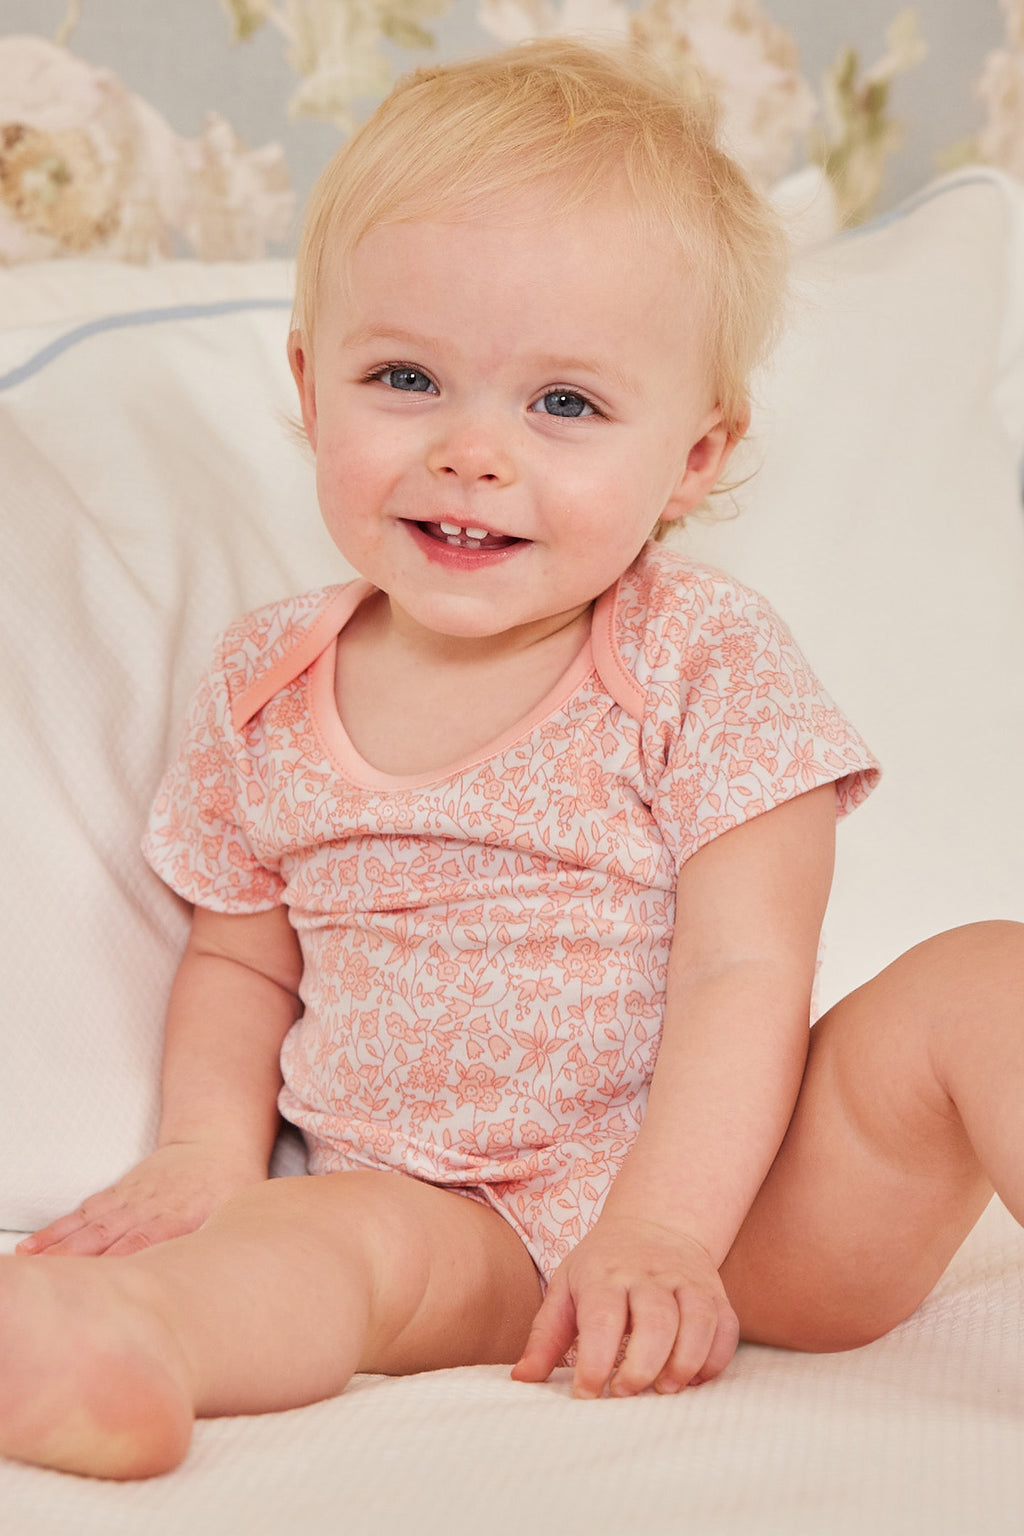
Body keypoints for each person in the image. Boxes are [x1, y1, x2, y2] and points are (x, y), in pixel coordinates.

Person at [1, 37, 1021, 1482]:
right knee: (307, 1245)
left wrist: (662, 1231)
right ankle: (123, 1343)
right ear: (309, 381)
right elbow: (239, 963)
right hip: (451, 1221)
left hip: (755, 1206)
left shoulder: (698, 658)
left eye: (564, 406)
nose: (475, 453)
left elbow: (748, 970)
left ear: (692, 456)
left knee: (992, 976)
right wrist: (203, 1157)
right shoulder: (266, 683)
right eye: (407, 378)